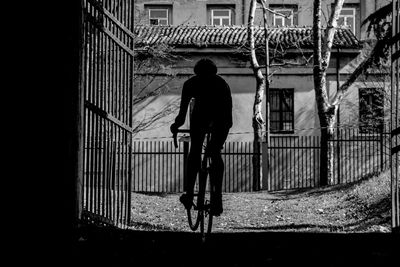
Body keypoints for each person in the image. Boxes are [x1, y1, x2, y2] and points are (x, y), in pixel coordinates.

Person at [170, 58, 233, 216]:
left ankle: (190, 194)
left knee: (195, 151)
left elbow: (182, 115)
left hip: (203, 118)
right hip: (221, 119)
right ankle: (217, 199)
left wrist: (175, 126)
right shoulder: (221, 83)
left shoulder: (191, 84)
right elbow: (228, 114)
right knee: (214, 152)